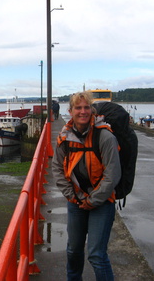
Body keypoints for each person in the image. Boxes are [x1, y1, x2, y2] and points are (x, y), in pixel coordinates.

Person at [52, 91, 121, 281]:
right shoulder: (65, 137)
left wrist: (93, 200)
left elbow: (113, 174)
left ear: (92, 110)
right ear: (70, 111)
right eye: (78, 108)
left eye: (86, 107)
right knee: (73, 250)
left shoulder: (105, 137)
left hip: (102, 201)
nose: (83, 111)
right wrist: (72, 196)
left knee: (96, 255)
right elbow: (57, 168)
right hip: (76, 201)